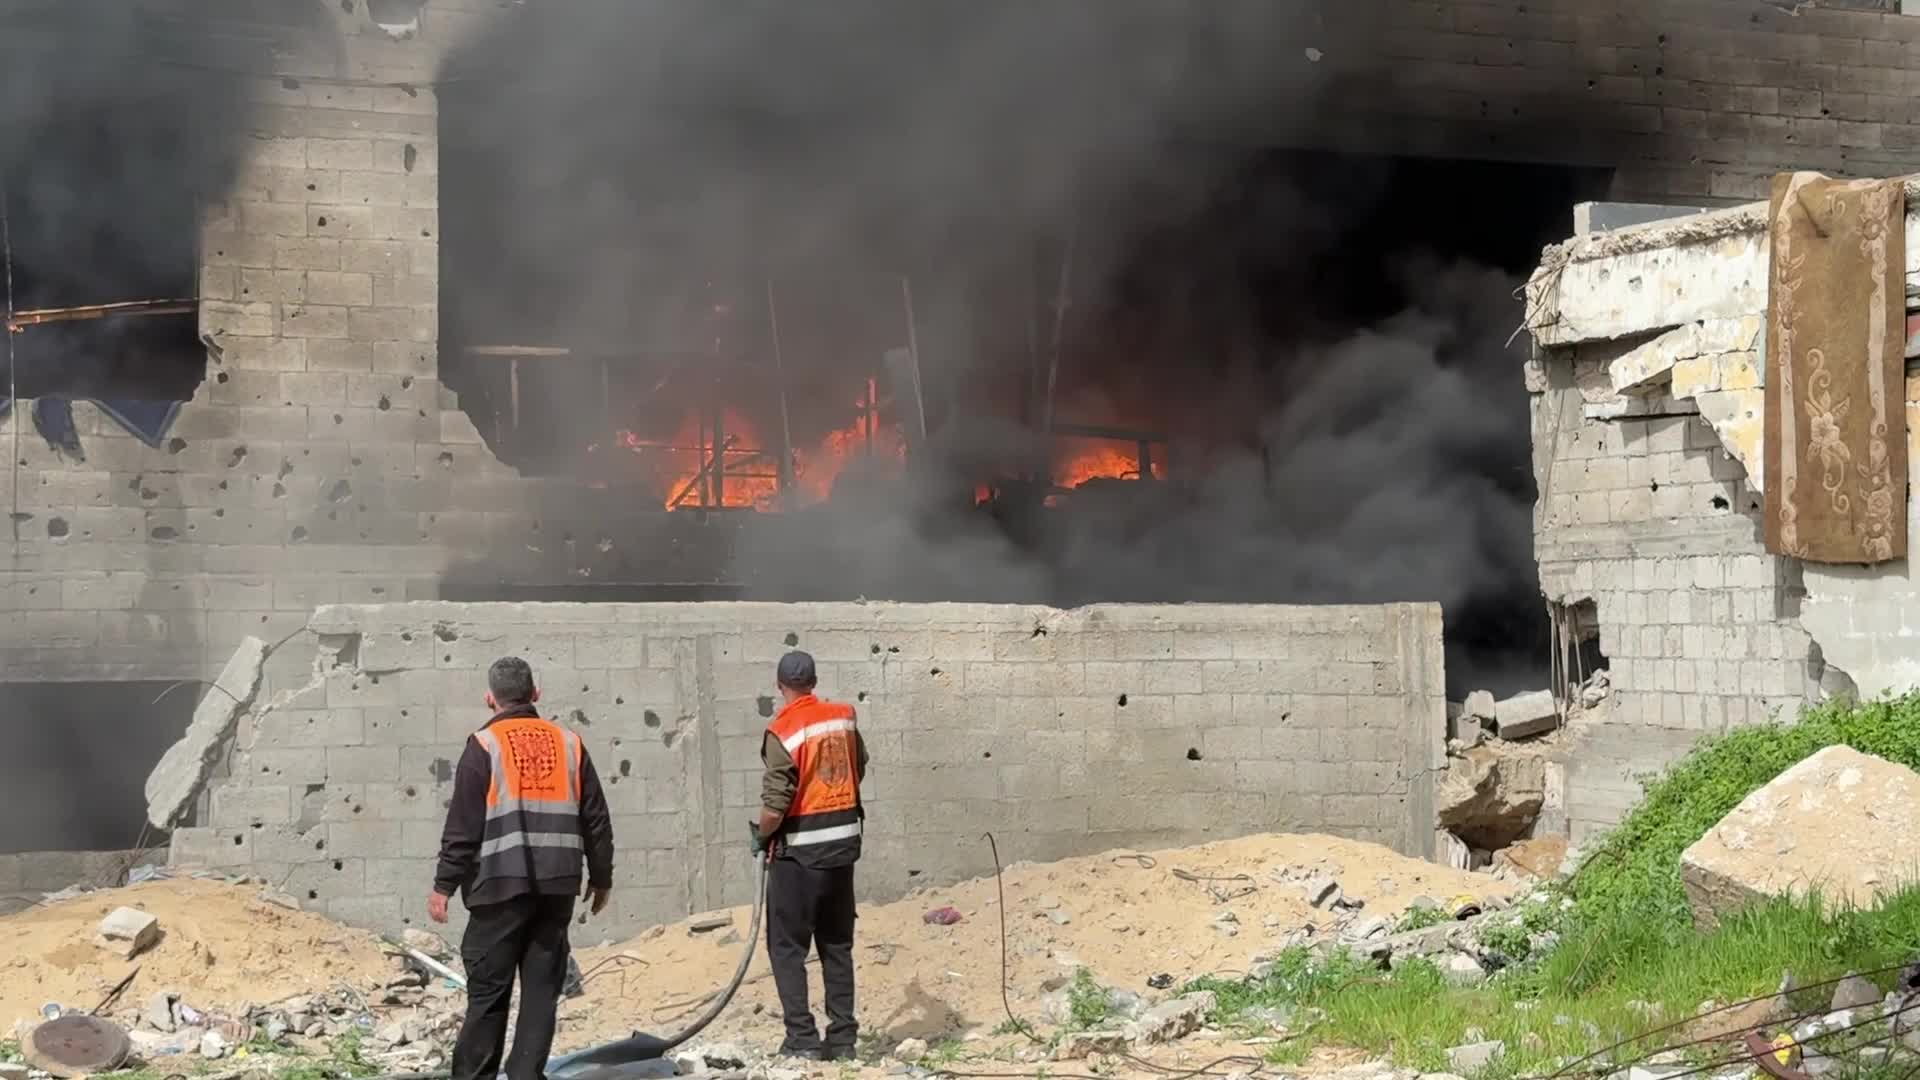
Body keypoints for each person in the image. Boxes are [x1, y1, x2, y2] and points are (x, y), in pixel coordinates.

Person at [429, 656, 616, 1080]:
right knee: (540, 993)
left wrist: (443, 885)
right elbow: (596, 818)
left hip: (498, 888)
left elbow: (463, 826)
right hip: (557, 888)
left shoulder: (483, 746)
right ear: (535, 694)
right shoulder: (570, 743)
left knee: (488, 995)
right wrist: (601, 876)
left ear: (490, 698)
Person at [751, 650, 870, 1061]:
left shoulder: (783, 730)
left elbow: (776, 804)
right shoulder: (843, 717)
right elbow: (859, 766)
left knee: (787, 948)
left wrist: (761, 835)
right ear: (814, 682)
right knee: (836, 944)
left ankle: (802, 1039)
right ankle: (843, 1039)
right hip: (843, 850)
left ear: (779, 686)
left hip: (799, 856)